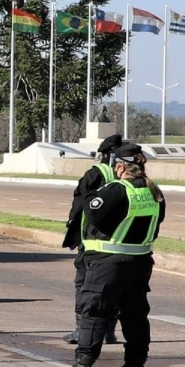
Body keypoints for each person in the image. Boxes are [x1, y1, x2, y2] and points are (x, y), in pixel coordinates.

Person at [73, 144, 166, 367]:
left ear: (121, 166)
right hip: (139, 262)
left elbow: (93, 212)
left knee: (94, 312)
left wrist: (91, 193)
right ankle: (136, 361)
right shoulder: (153, 191)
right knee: (135, 314)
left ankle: (84, 360)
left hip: (107, 262)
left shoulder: (117, 189)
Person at [62, 134, 122, 344]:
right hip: (121, 242)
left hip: (93, 241)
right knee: (114, 288)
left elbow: (79, 207)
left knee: (85, 286)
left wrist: (73, 231)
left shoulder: (96, 173)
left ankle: (82, 331)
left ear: (104, 154)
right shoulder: (128, 177)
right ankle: (108, 332)